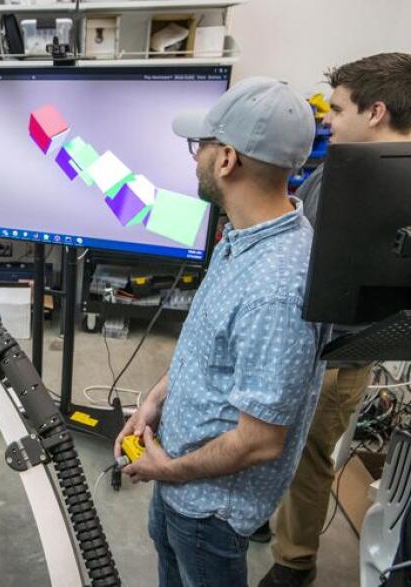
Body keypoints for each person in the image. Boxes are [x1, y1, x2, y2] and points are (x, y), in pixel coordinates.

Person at [114, 77, 330, 587]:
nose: (194, 159)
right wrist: (152, 404)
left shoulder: (276, 288)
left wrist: (166, 469)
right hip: (178, 478)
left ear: (227, 159)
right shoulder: (243, 238)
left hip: (209, 510)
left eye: (201, 147)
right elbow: (204, 348)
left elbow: (259, 442)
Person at [259, 52, 411, 587]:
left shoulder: (371, 182)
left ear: (374, 112)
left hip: (338, 349)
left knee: (306, 453)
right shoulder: (333, 174)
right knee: (270, 436)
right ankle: (264, 514)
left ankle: (294, 561)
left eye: (338, 108)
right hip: (310, 334)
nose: (326, 118)